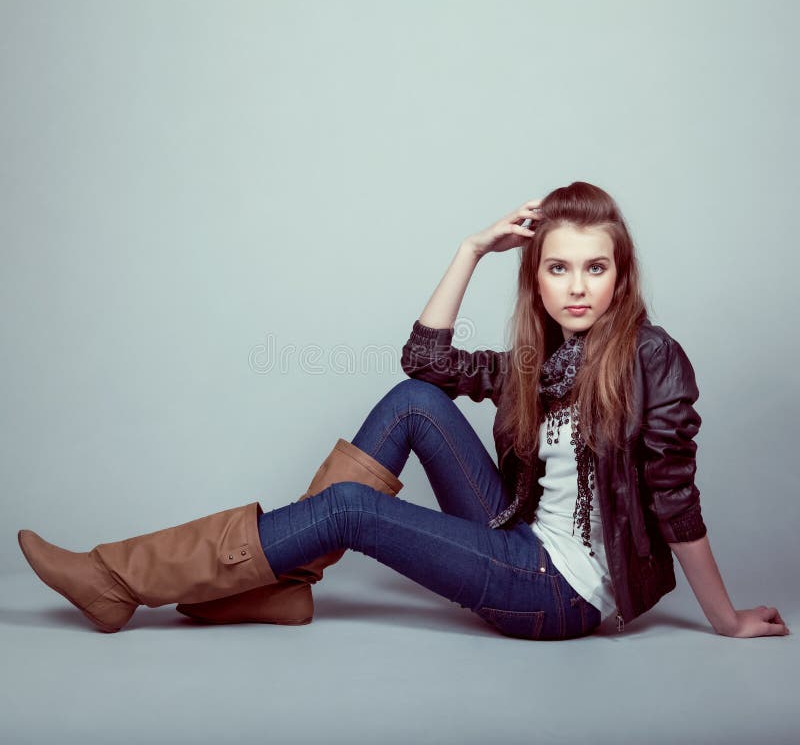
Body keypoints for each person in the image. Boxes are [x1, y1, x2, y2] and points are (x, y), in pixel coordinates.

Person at [17, 181, 790, 640]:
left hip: (556, 593)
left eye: (596, 268)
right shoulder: (539, 363)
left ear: (621, 277)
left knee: (350, 508)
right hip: (519, 539)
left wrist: (724, 619)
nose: (578, 286)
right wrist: (470, 249)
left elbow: (675, 502)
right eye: (558, 268)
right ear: (537, 279)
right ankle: (274, 583)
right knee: (416, 402)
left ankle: (120, 579)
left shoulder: (650, 358)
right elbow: (425, 364)